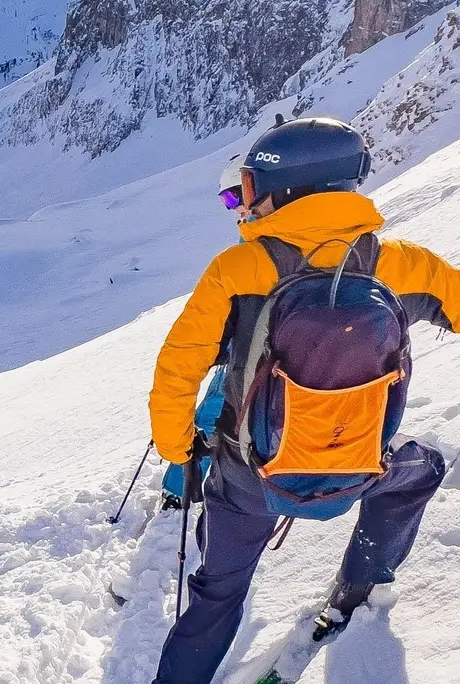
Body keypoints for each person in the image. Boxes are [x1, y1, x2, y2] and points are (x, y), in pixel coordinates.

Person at [148, 117, 460, 684]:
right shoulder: (399, 265)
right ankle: (362, 583)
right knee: (422, 469)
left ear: (287, 190)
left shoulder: (238, 271)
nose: (240, 206)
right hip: (359, 470)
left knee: (216, 597)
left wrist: (179, 447)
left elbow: (178, 370)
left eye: (244, 191)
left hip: (251, 482)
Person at [159, 154, 252, 510]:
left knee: (213, 413)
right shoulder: (255, 241)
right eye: (226, 202)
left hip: (243, 356)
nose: (233, 210)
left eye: (234, 198)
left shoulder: (256, 248)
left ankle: (182, 489)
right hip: (243, 350)